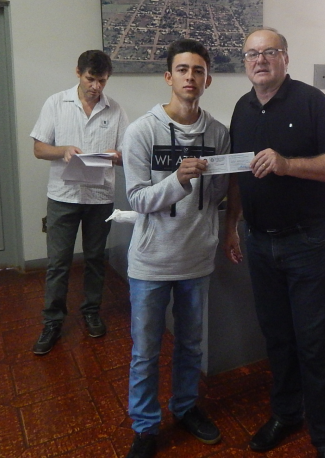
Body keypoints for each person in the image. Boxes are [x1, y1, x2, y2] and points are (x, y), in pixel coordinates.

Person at [224, 28, 325, 458]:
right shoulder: (242, 109)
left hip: (308, 243)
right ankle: (286, 414)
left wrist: (287, 164)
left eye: (270, 52)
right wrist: (231, 225)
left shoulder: (312, 102)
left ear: (285, 58)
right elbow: (239, 175)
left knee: (315, 344)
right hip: (259, 243)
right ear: (245, 62)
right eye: (252, 54)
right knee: (278, 339)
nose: (260, 60)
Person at [122, 39, 230, 458]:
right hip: (150, 262)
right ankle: (145, 427)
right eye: (183, 70)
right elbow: (137, 199)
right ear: (169, 77)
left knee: (190, 345)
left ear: (208, 80)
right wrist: (178, 180)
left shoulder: (218, 134)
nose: (190, 77)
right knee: (145, 351)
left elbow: (217, 195)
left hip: (196, 258)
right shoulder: (141, 131)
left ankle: (185, 408)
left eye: (198, 70)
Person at [30, 50, 129, 355]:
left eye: (102, 81)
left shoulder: (116, 110)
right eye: (90, 79)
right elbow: (38, 149)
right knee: (58, 262)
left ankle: (91, 312)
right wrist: (63, 151)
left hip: (100, 198)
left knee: (96, 259)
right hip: (63, 196)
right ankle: (52, 322)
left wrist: (117, 156)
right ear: (78, 73)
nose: (96, 86)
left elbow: (128, 154)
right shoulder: (56, 103)